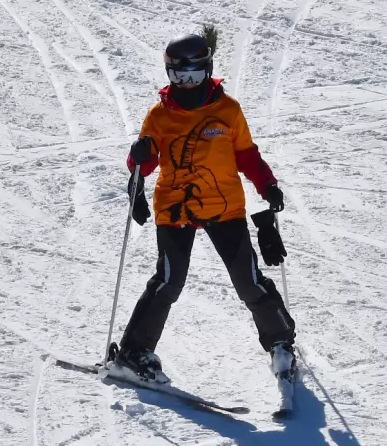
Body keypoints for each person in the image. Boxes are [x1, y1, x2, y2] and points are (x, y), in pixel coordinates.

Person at [111, 32, 297, 387]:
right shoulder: (160, 115)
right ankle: (133, 353)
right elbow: (143, 162)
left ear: (207, 70)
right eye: (178, 76)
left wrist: (267, 185)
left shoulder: (228, 110)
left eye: (193, 75)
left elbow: (247, 155)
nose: (186, 83)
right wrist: (138, 162)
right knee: (168, 281)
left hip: (224, 206)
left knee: (248, 281)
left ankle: (280, 343)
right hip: (174, 208)